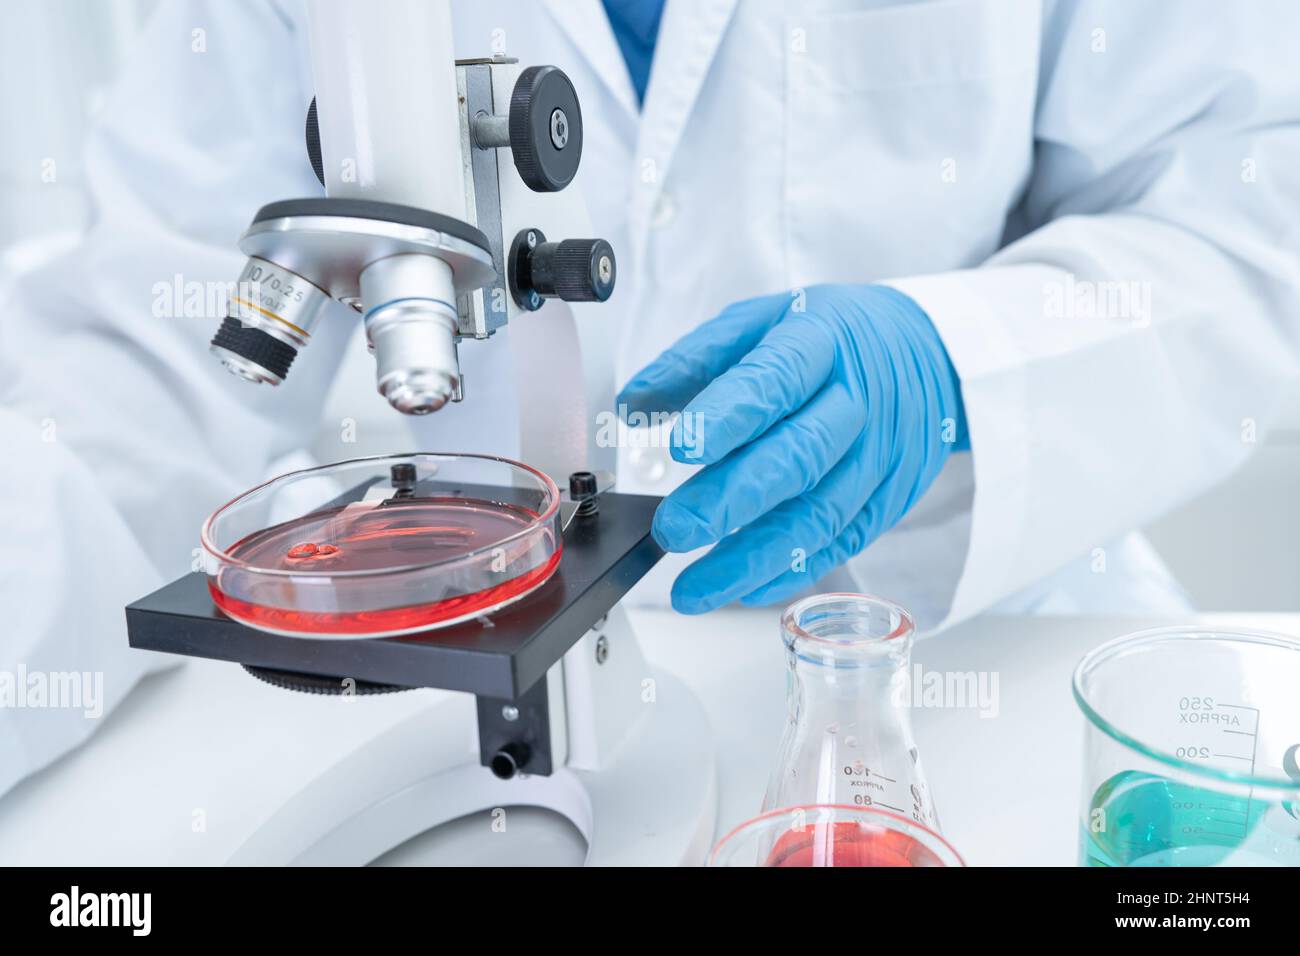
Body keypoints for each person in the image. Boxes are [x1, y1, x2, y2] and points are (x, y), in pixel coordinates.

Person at [2, 0, 1298, 799]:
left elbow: (1252, 209)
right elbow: (143, 354)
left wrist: (961, 368)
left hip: (972, 644)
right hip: (484, 702)